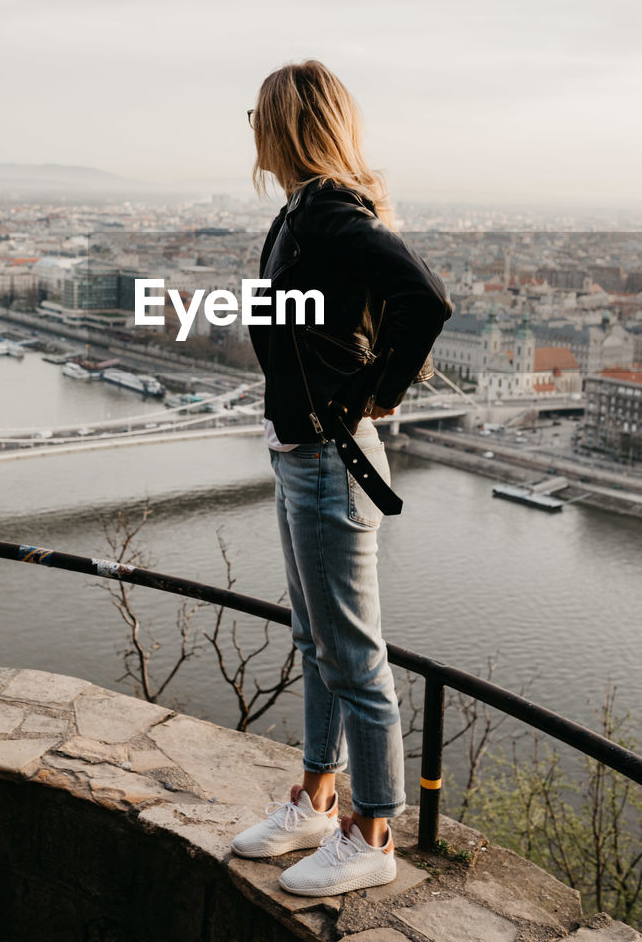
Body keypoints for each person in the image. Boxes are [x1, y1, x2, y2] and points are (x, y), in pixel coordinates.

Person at [231, 60, 452, 897]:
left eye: (256, 113)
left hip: (330, 462)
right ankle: (317, 800)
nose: (249, 124)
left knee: (354, 659)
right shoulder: (296, 212)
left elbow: (423, 298)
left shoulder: (326, 212)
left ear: (283, 125)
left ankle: (372, 831)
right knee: (313, 642)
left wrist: (368, 398)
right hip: (299, 457)